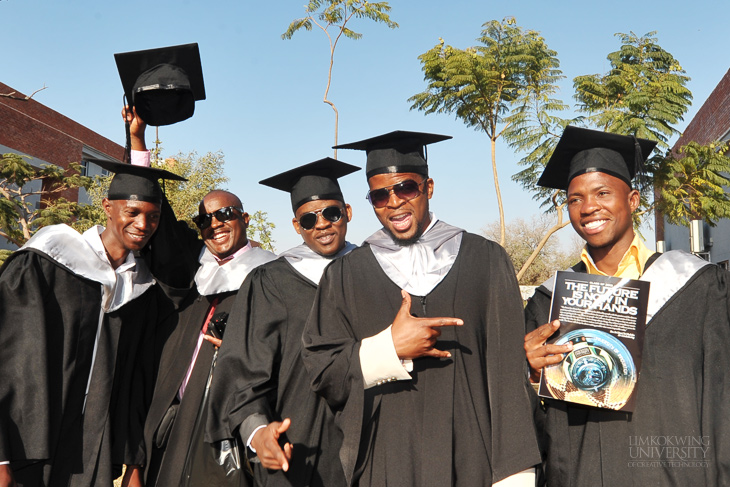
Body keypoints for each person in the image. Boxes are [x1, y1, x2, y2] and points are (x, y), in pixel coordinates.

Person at [301, 131, 541, 487]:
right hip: (386, 461)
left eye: (406, 188)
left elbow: (508, 375)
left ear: (428, 187)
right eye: (380, 195)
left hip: (474, 459)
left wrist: (515, 477)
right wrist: (388, 349)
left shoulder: (486, 260)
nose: (394, 202)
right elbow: (323, 371)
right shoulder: (345, 275)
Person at [523, 125, 730, 486]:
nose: (589, 208)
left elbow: (722, 398)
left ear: (633, 200)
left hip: (675, 473)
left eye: (603, 192)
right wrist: (529, 375)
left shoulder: (697, 286)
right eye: (575, 199)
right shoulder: (548, 302)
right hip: (579, 473)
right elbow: (531, 422)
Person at [0, 153, 183, 487]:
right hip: (27, 441)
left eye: (153, 216)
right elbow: (5, 358)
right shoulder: (45, 261)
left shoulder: (142, 290)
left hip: (93, 451)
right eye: (133, 212)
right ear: (107, 207)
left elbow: (135, 383)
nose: (143, 224)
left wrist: (134, 461)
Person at [119, 113, 277, 487]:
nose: (215, 224)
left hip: (219, 421)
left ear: (246, 218)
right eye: (204, 219)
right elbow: (159, 221)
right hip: (168, 416)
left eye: (225, 214)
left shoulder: (272, 276)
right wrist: (138, 143)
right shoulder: (193, 265)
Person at [207, 157, 358, 486]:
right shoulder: (269, 281)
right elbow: (242, 373)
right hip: (296, 449)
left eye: (331, 213)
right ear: (296, 225)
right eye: (308, 218)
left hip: (368, 447)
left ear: (347, 211)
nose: (322, 224)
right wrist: (258, 432)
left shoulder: (374, 272)